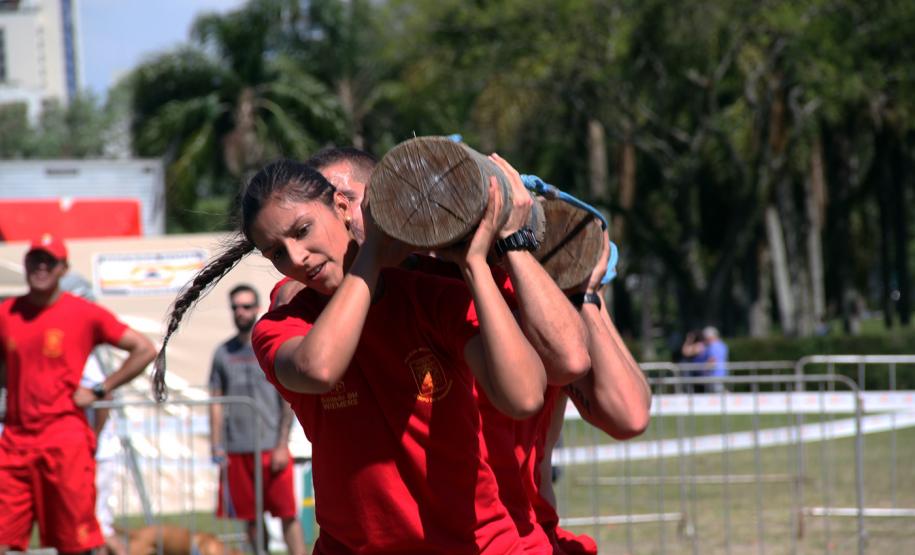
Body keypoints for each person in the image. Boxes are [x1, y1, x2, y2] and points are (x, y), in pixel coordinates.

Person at [155, 160, 552, 553]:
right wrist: (372, 255)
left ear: (343, 208)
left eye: (302, 230)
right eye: (276, 252)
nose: (296, 258)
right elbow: (320, 368)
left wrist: (474, 264)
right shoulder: (280, 327)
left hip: (474, 545)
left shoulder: (428, 298)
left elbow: (524, 396)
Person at [295, 147, 649, 552]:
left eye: (348, 202)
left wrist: (581, 291)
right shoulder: (320, 308)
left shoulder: (506, 287)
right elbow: (294, 303)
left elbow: (622, 409)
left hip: (515, 537)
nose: (341, 219)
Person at [0, 234, 157, 555]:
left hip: (64, 440)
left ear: (63, 268)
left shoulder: (84, 313)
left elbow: (143, 349)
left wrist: (100, 389)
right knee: (5, 539)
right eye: (34, 260)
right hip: (15, 440)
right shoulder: (7, 313)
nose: (40, 268)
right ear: (26, 264)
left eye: (49, 262)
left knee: (76, 542)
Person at [209, 284, 306, 555]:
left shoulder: (268, 343)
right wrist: (216, 444)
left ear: (257, 307)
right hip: (237, 448)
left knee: (287, 513)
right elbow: (216, 403)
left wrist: (281, 444)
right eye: (236, 307)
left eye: (247, 306)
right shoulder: (222, 353)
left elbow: (286, 398)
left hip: (270, 446)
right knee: (250, 518)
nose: (241, 312)